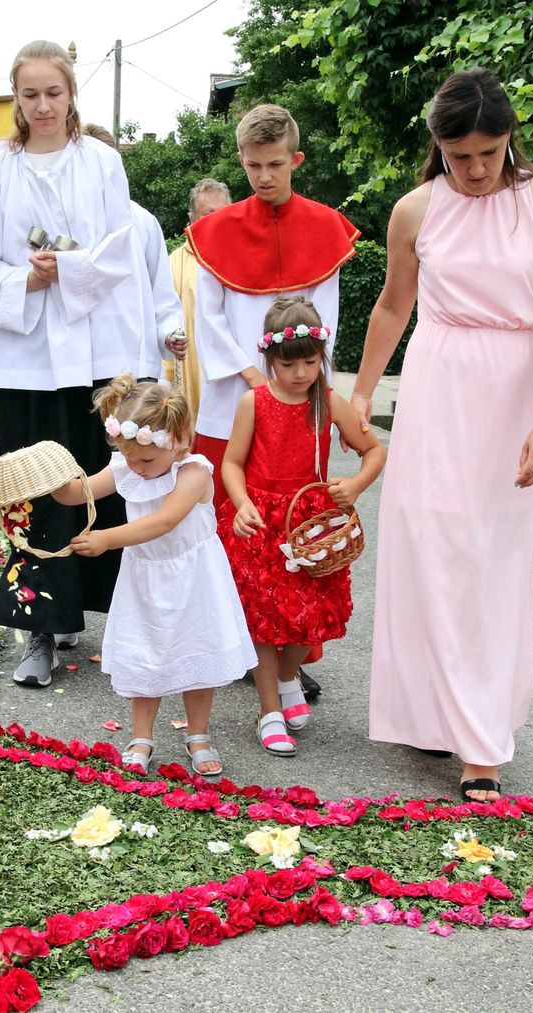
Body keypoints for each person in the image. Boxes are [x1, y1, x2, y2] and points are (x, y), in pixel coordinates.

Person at [354, 68, 533, 802]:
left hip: (513, 387)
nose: (477, 169)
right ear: (438, 146)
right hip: (437, 380)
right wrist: (359, 392)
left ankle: (482, 743)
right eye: (461, 156)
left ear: (509, 138)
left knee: (488, 558)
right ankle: (433, 711)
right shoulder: (415, 210)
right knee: (428, 544)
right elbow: (393, 308)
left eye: (488, 152)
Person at [0, 40, 173, 686]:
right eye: (31, 94)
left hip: (93, 355)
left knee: (96, 488)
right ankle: (38, 632)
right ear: (15, 99)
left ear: (72, 93)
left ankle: (99, 614)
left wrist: (68, 269)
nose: (44, 105)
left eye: (54, 93)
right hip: (24, 357)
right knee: (31, 491)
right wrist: (27, 279)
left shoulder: (103, 163)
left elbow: (119, 249)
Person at [187, 102, 360, 698]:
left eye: (276, 164)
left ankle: (290, 652)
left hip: (300, 398)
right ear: (242, 161)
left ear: (296, 160)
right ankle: (230, 642)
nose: (265, 176)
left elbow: (325, 323)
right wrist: (250, 374)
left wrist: (319, 395)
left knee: (296, 527)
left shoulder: (325, 227)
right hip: (232, 397)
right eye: (255, 165)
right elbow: (207, 318)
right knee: (228, 529)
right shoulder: (215, 232)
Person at [51, 375, 253, 776]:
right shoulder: (129, 465)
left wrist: (107, 538)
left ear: (177, 440)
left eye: (145, 461)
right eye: (129, 458)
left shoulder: (194, 473)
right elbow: (78, 493)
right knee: (144, 653)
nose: (137, 469)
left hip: (194, 578)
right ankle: (141, 735)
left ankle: (198, 733)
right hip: (144, 577)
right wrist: (48, 481)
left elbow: (163, 521)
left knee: (197, 653)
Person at [220, 296, 385, 757]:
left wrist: (354, 486)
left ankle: (290, 676)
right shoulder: (254, 402)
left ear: (322, 358)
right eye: (288, 364)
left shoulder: (328, 403)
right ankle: (269, 709)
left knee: (311, 617)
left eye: (310, 363)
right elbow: (232, 463)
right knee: (264, 619)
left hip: (311, 527)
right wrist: (241, 503)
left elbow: (376, 452)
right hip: (262, 525)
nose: (299, 374)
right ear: (269, 359)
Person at [81, 124, 187, 373]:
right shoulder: (62, 218)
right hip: (80, 358)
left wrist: (170, 332)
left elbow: (160, 290)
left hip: (131, 355)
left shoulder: (142, 221)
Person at [163, 178, 231, 423]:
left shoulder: (243, 258)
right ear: (192, 218)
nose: (215, 221)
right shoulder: (175, 262)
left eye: (222, 213)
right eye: (207, 214)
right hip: (193, 368)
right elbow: (164, 318)